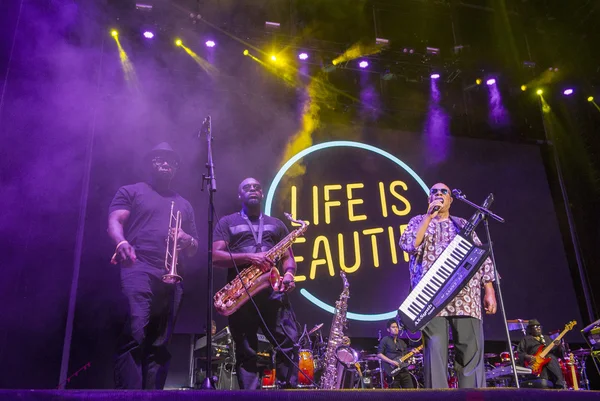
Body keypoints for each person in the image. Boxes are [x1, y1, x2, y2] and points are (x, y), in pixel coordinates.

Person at [108, 142, 199, 389]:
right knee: (136, 331)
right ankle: (128, 395)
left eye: (171, 161)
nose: (166, 163)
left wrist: (187, 239)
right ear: (151, 163)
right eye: (160, 159)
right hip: (139, 265)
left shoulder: (184, 204)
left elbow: (194, 247)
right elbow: (115, 220)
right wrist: (121, 241)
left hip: (171, 273)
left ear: (177, 168)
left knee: (161, 342)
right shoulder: (132, 191)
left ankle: (153, 395)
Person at [399, 182, 497, 388]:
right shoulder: (418, 221)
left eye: (444, 191)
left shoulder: (462, 224)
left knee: (470, 351)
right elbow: (409, 245)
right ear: (429, 199)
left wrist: (489, 289)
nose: (438, 193)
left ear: (451, 199)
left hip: (466, 298)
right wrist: (428, 217)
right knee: (435, 354)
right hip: (430, 298)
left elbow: (481, 257)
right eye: (433, 191)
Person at [212, 177, 300, 389]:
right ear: (239, 195)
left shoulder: (276, 224)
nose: (252, 189)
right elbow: (215, 256)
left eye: (256, 187)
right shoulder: (227, 222)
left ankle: (288, 391)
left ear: (262, 194)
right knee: (246, 349)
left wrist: (288, 274)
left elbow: (288, 256)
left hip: (272, 291)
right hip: (241, 293)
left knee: (288, 341)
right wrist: (250, 258)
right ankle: (251, 395)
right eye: (246, 188)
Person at [517, 319, 566, 388]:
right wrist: (527, 356)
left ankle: (559, 383)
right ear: (530, 329)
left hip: (550, 363)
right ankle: (558, 383)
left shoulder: (547, 338)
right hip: (536, 365)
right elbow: (520, 353)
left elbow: (557, 353)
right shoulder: (526, 339)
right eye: (536, 326)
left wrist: (559, 347)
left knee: (551, 357)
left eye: (539, 326)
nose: (538, 328)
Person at [377, 319, 416, 388]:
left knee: (411, 391)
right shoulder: (385, 340)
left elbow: (406, 356)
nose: (396, 329)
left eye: (396, 327)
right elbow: (379, 354)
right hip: (392, 371)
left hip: (403, 370)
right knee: (395, 394)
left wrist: (412, 353)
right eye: (393, 327)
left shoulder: (402, 342)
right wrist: (391, 362)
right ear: (388, 330)